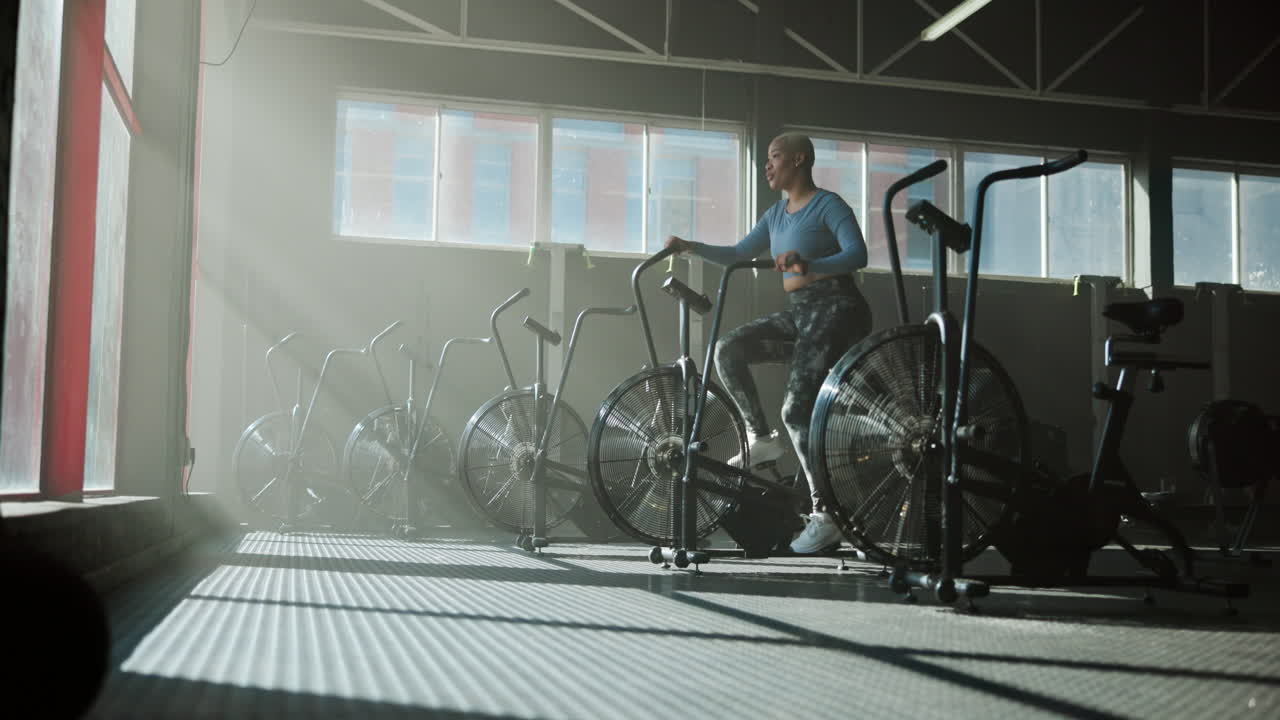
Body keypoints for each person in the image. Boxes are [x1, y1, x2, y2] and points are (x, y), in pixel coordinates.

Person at [665, 132, 872, 554]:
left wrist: (808, 264)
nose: (767, 165)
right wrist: (690, 247)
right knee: (728, 349)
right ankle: (760, 437)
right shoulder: (775, 215)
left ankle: (827, 514)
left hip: (838, 308)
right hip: (802, 313)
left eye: (775, 156)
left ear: (799, 159)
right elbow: (738, 252)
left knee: (796, 410)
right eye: (766, 158)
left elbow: (857, 254)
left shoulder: (828, 205)